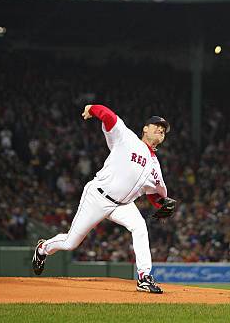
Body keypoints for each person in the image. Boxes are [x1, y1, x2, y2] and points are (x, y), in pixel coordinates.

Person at [32, 104, 174, 294]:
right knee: (71, 243)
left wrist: (161, 206)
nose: (160, 130)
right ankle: (43, 249)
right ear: (145, 128)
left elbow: (154, 194)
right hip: (98, 197)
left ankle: (144, 277)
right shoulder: (127, 138)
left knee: (139, 227)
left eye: (163, 130)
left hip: (122, 206)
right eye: (157, 125)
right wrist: (92, 108)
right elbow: (109, 116)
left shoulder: (156, 167)